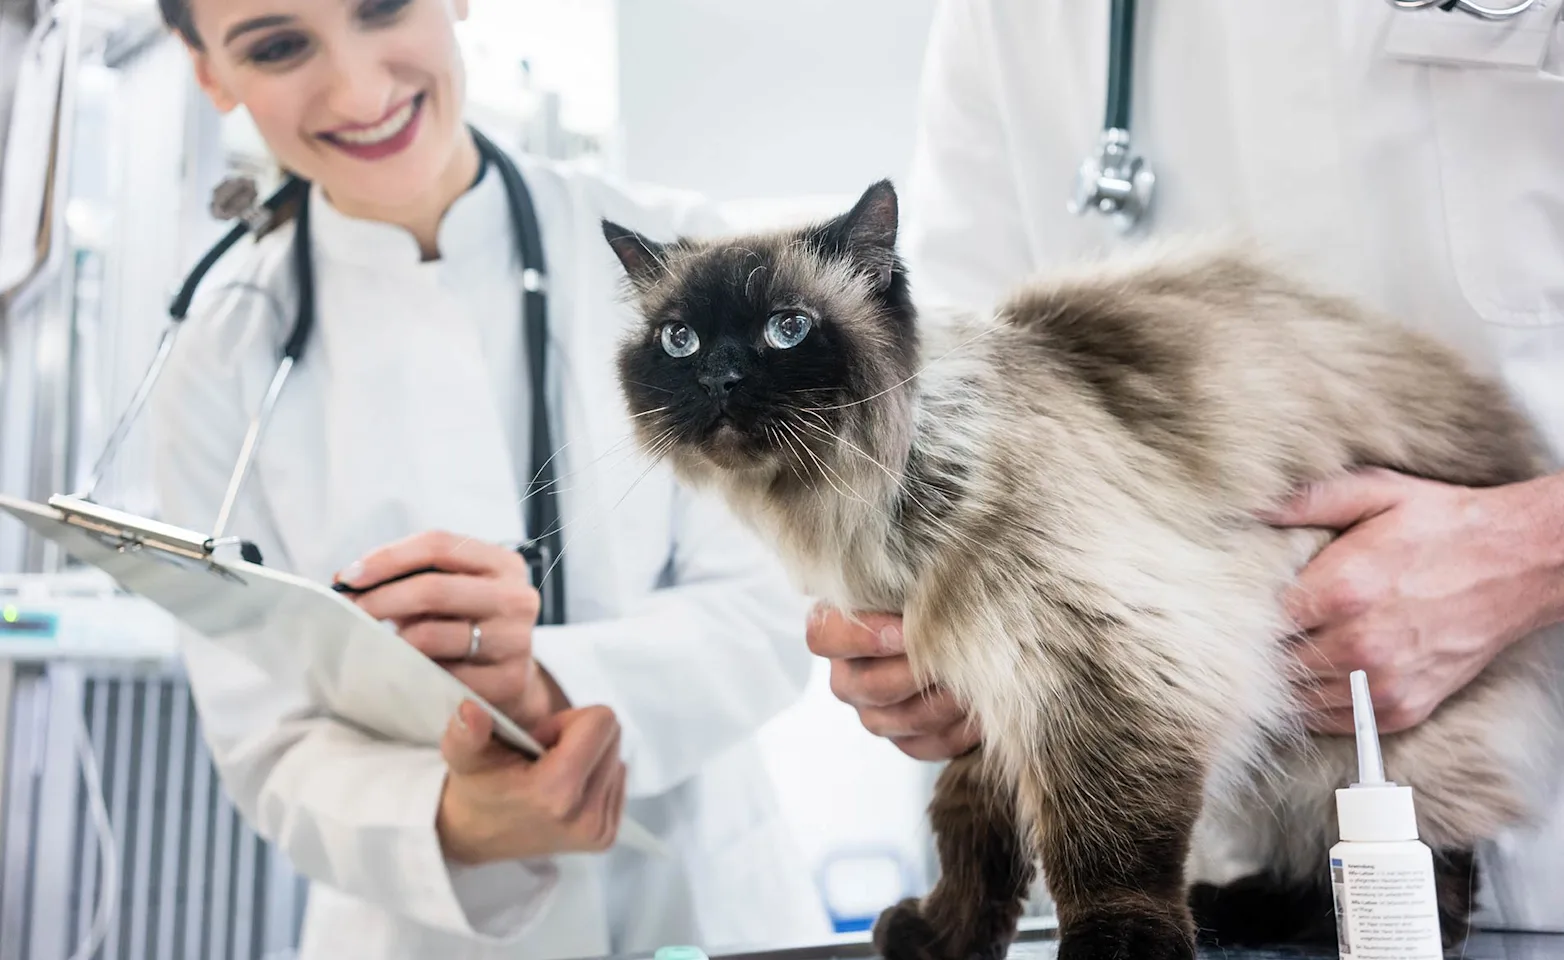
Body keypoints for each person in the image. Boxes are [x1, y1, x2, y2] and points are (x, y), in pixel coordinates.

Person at [808, 0, 1564, 930]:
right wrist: (922, 627)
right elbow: (946, 389)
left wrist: (1534, 549)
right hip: (1234, 860)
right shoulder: (1005, 21)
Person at [146, 1, 832, 957]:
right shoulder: (218, 359)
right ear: (207, 70)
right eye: (277, 44)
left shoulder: (686, 269)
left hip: (701, 897)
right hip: (417, 921)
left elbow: (777, 603)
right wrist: (460, 823)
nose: (360, 89)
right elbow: (267, 737)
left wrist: (549, 685)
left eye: (381, 5)